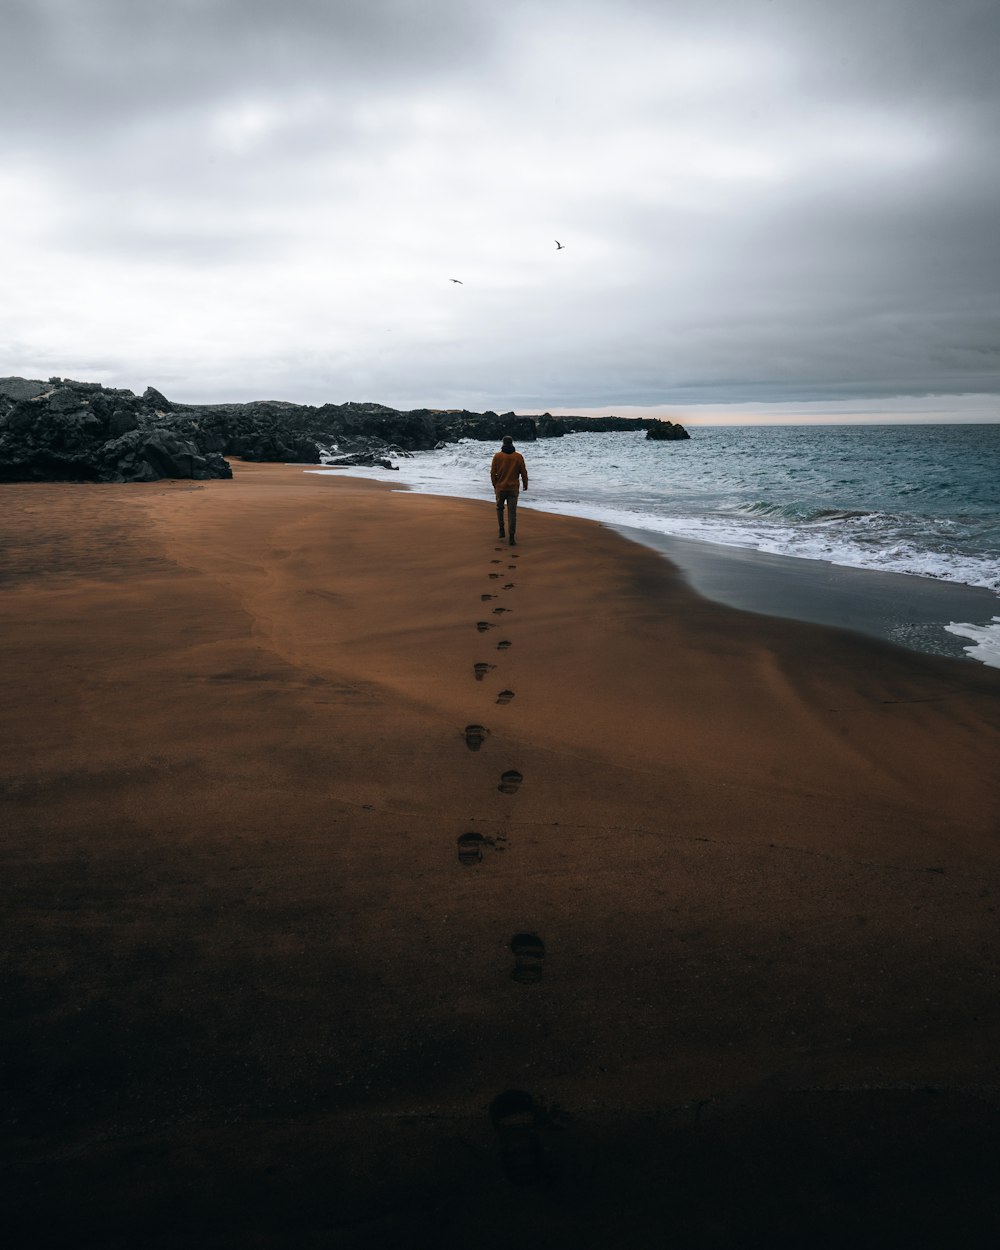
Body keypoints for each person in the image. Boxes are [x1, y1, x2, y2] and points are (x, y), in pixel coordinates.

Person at [490, 435, 528, 545]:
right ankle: (512, 536)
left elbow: (493, 473)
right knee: (512, 512)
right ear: (512, 443)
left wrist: (495, 485)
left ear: (503, 443)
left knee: (499, 508)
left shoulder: (497, 456)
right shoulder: (518, 457)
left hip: (500, 487)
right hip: (513, 488)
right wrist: (525, 484)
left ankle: (501, 529)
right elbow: (523, 472)